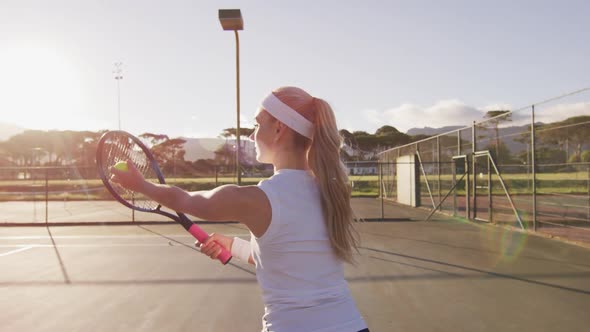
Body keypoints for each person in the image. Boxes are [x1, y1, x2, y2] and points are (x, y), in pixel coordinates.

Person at [111, 86, 369, 332]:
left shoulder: (259, 198)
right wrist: (233, 246)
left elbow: (185, 200)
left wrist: (140, 185)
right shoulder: (331, 191)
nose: (252, 134)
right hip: (352, 324)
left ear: (279, 128)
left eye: (257, 124)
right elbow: (288, 258)